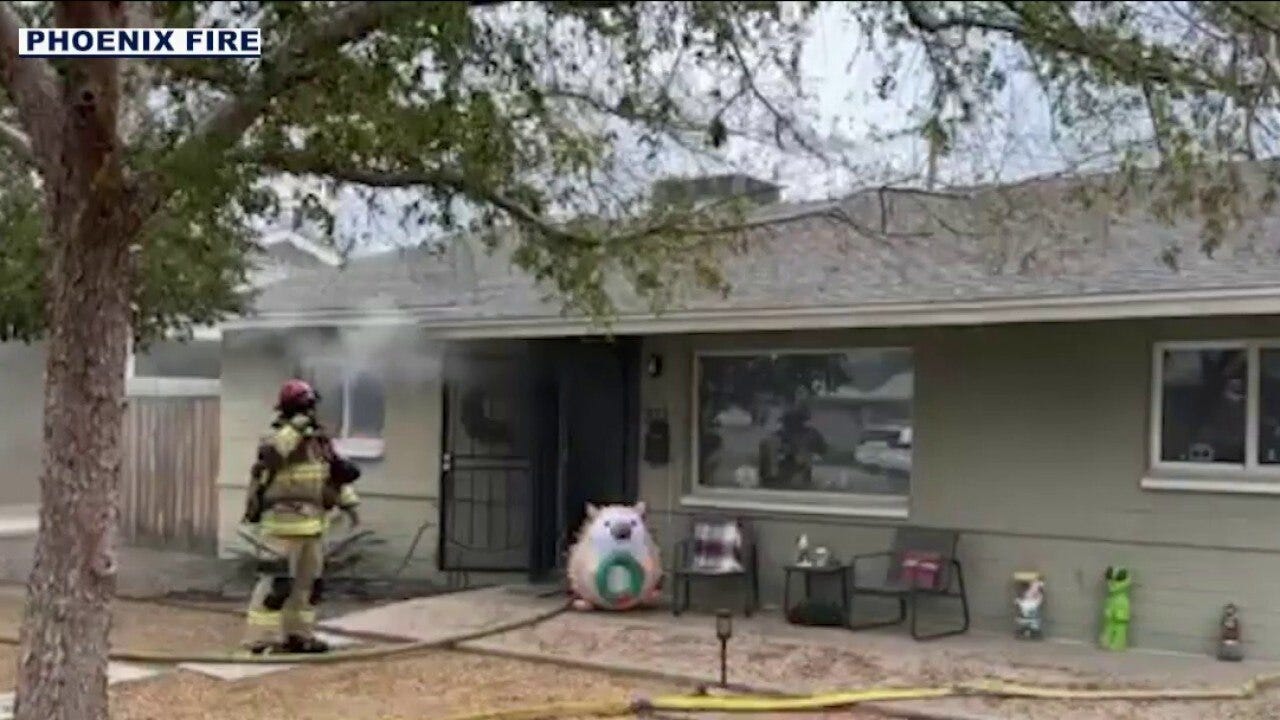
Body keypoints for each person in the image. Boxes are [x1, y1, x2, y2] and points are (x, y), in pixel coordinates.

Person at [241, 379, 361, 654]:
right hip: (282, 525)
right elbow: (273, 455)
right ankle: (259, 640)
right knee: (276, 585)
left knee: (309, 586)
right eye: (304, 407)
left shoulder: (319, 442)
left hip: (314, 526)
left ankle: (299, 636)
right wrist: (295, 428)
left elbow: (333, 476)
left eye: (310, 407)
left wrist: (350, 505)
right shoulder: (275, 435)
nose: (309, 413)